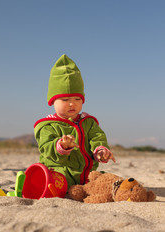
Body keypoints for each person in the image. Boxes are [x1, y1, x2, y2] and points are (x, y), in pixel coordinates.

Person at [34, 54, 116, 188]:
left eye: (77, 99)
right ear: (52, 101)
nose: (72, 104)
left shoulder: (88, 122)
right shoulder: (47, 126)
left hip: (87, 174)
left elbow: (97, 137)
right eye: (65, 100)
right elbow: (46, 148)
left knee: (106, 181)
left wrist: (100, 151)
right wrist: (61, 146)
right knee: (54, 184)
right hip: (60, 173)